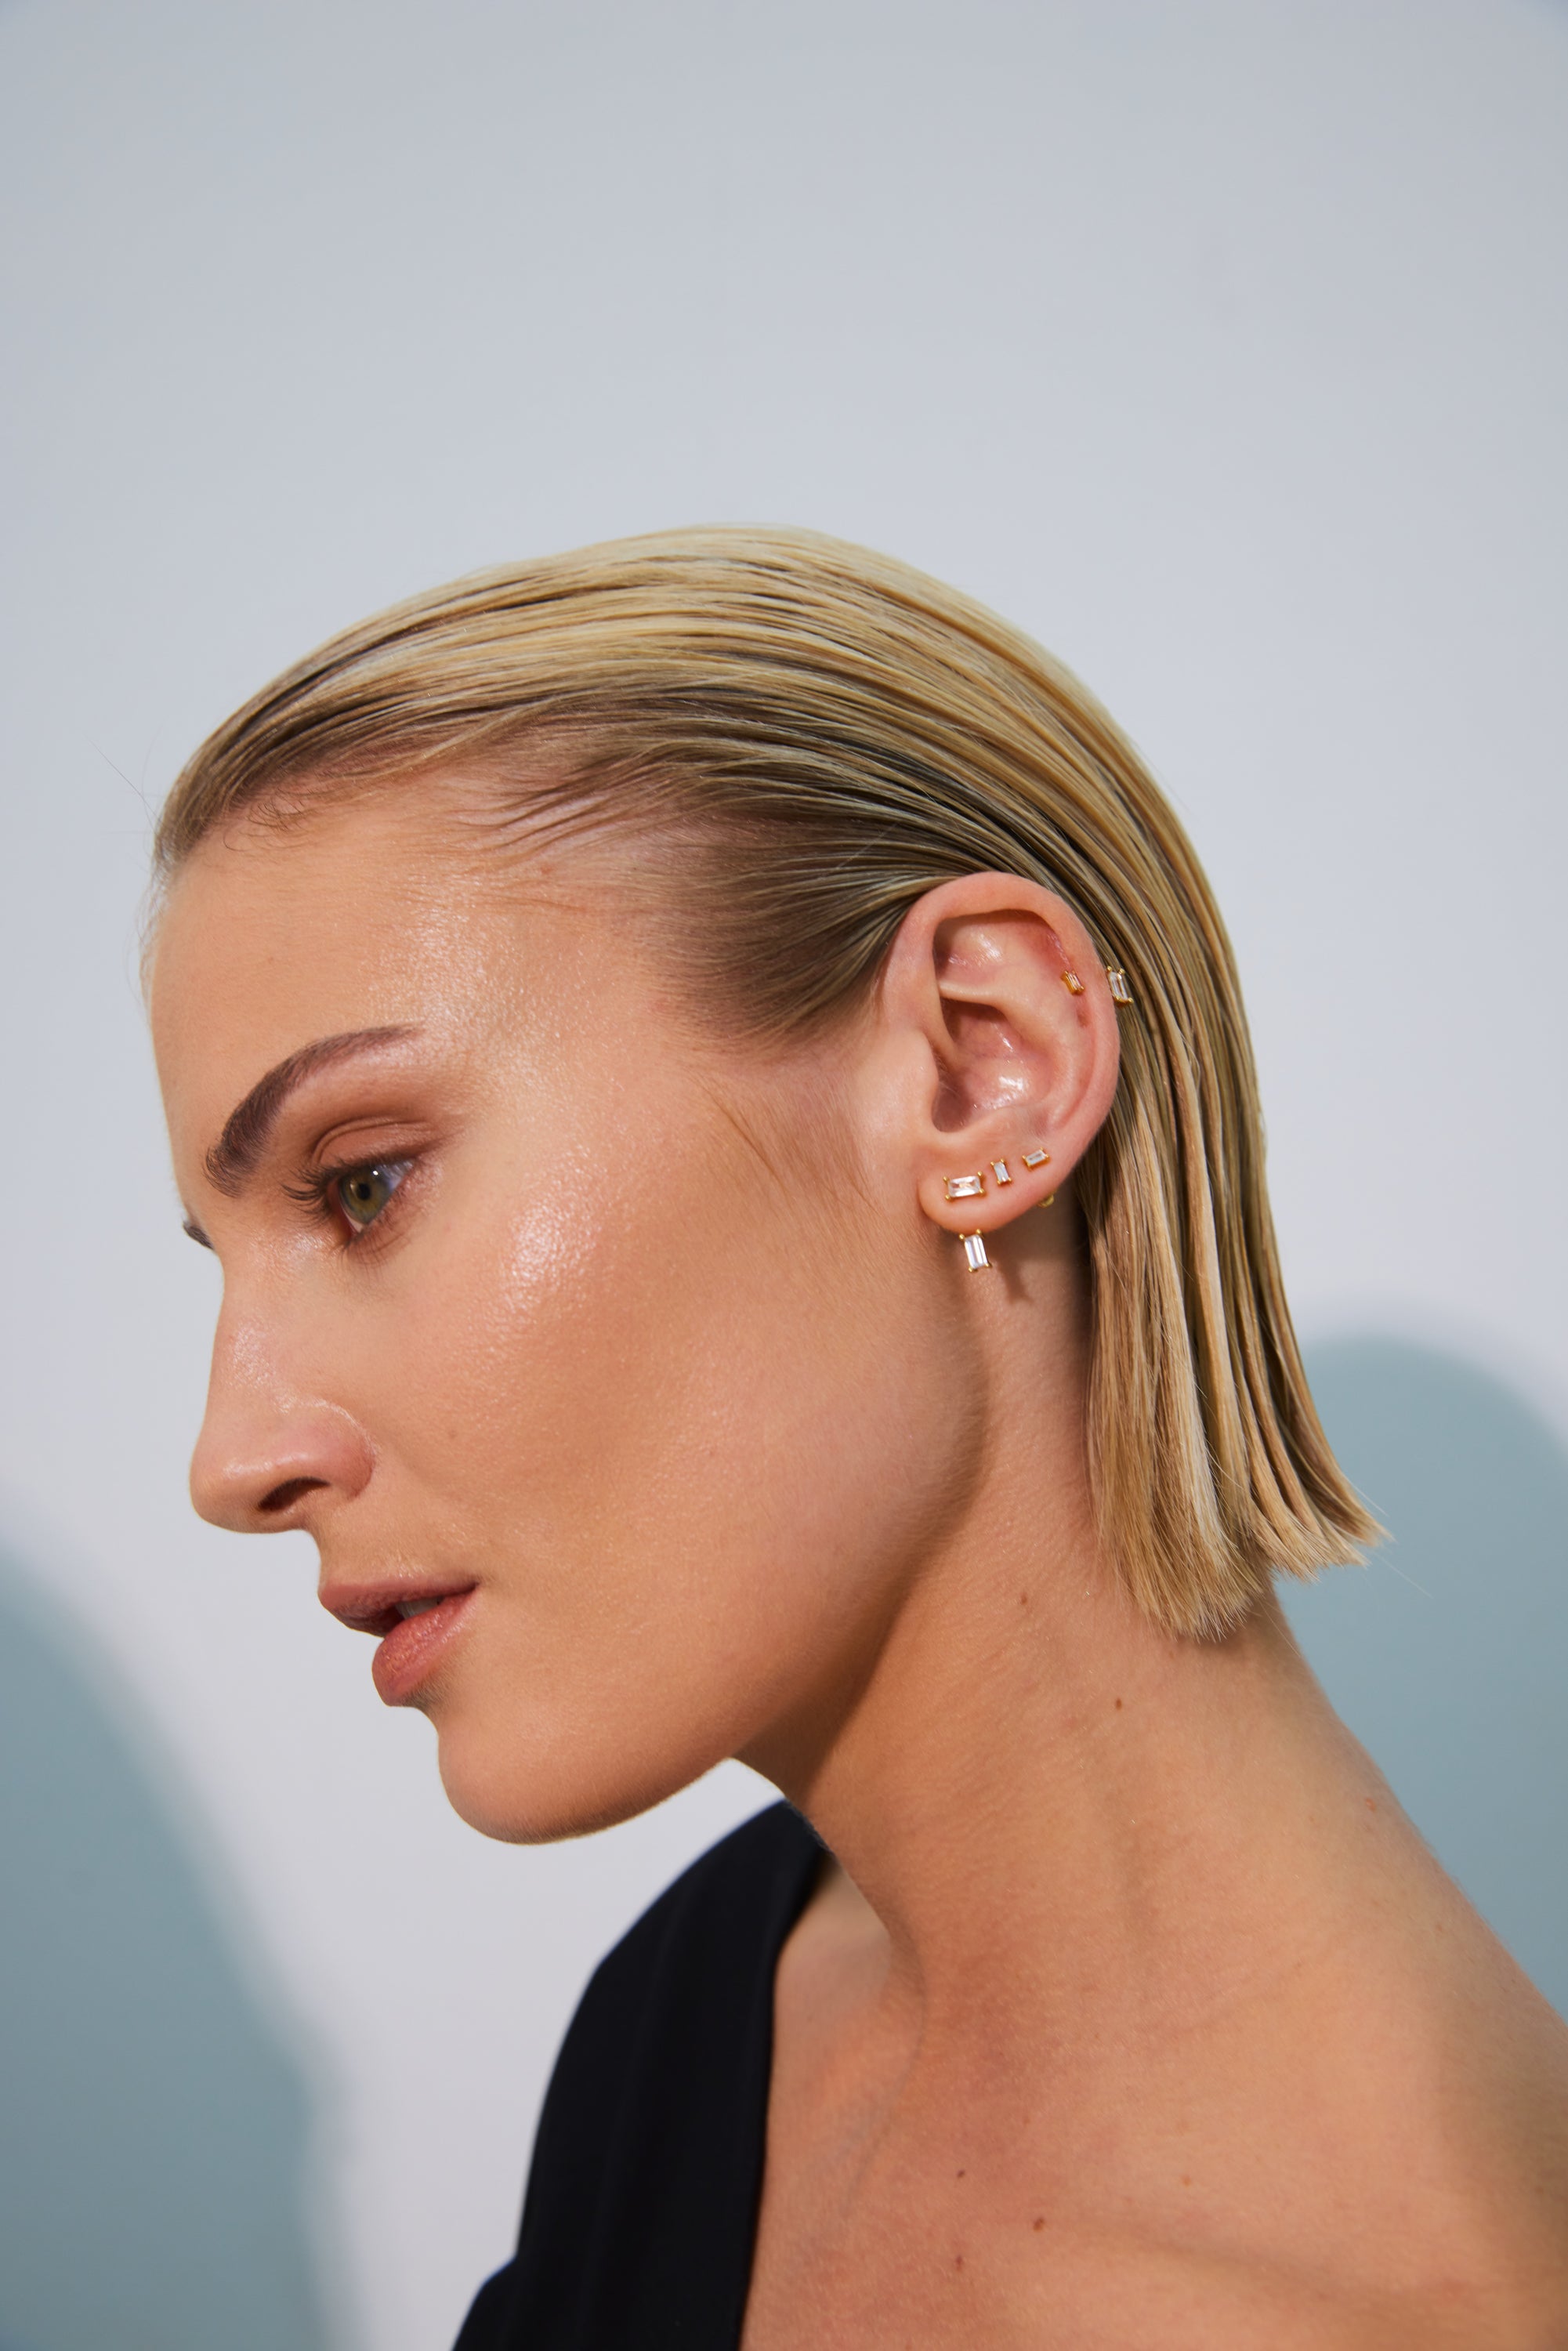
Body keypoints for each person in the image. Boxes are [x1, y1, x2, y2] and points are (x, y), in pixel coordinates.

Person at [147, 529, 1568, 2349]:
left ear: (984, 1066)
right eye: (228, 1262)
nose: (229, 1455)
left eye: (363, 1186)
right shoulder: (713, 2013)